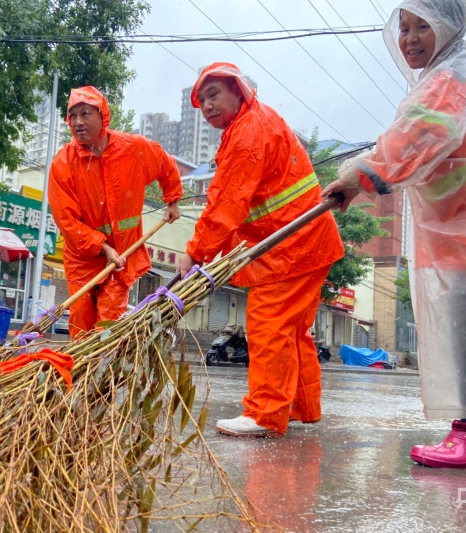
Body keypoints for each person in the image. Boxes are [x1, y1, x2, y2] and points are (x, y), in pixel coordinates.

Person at [322, 0, 466, 470]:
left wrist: (354, 177)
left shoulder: (454, 75)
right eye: (403, 27)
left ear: (448, 25)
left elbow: (416, 138)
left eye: (421, 26)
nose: (409, 38)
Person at [177, 63, 344, 438]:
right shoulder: (254, 123)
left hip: (292, 247)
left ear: (238, 90)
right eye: (201, 100)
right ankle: (300, 406)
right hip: (304, 242)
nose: (207, 106)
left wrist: (197, 252)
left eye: (214, 94)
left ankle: (265, 414)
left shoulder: (248, 131)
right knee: (292, 331)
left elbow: (227, 204)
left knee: (269, 324)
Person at [49, 86, 183, 338]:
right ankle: (82, 375)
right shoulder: (63, 163)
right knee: (80, 328)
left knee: (106, 331)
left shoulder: (133, 149)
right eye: (73, 116)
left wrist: (173, 199)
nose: (78, 122)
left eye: (85, 113)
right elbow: (66, 221)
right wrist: (103, 247)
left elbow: (166, 164)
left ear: (102, 115)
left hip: (122, 255)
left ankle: (104, 373)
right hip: (82, 259)